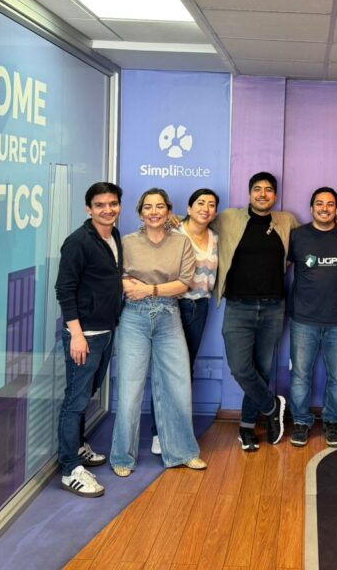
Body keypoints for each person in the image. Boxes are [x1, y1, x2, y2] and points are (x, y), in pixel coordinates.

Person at [110, 188, 206, 475]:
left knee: (178, 387)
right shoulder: (127, 242)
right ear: (141, 212)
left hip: (168, 316)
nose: (154, 212)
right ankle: (122, 458)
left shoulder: (181, 242)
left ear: (168, 211)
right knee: (129, 391)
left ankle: (183, 452)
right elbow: (119, 278)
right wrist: (136, 288)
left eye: (160, 206)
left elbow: (184, 283)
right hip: (134, 317)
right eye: (148, 207)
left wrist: (149, 289)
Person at [214, 172, 297, 451]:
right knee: (240, 368)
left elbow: (314, 235)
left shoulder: (286, 221)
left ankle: (247, 426)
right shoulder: (229, 218)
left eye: (268, 190)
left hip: (273, 307)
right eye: (257, 189)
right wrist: (170, 219)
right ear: (249, 193)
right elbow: (197, 224)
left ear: (275, 195)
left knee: (262, 369)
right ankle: (273, 406)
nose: (263, 194)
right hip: (239, 306)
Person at [54, 182, 125, 498]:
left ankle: (78, 445)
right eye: (100, 205)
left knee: (87, 393)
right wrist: (77, 335)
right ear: (88, 208)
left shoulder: (113, 235)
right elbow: (64, 289)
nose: (107, 210)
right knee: (76, 400)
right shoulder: (78, 242)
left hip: (106, 331)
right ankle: (70, 469)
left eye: (113, 204)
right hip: (85, 336)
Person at [148, 188, 219, 456]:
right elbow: (148, 238)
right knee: (166, 370)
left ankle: (177, 430)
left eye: (211, 205)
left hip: (200, 307)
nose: (205, 208)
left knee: (184, 370)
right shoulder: (174, 231)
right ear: (188, 208)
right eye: (200, 203)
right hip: (172, 306)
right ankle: (159, 432)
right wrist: (169, 217)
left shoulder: (215, 237)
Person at [288, 187, 337, 448]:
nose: (324, 208)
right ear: (311, 208)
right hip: (303, 319)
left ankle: (332, 421)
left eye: (330, 204)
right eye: (319, 203)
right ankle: (301, 422)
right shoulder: (297, 236)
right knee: (300, 376)